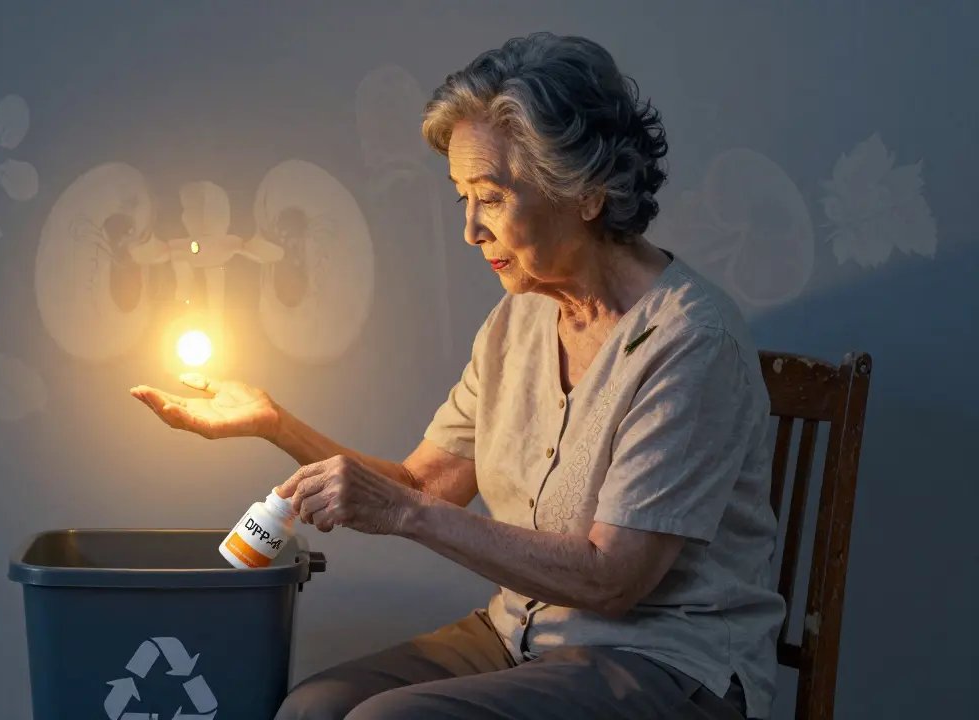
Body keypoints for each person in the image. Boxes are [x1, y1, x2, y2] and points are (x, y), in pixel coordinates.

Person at [131, 32, 786, 720]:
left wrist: (409, 515)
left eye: (493, 198)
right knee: (312, 710)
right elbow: (419, 485)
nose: (471, 229)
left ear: (587, 194)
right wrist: (273, 422)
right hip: (524, 637)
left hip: (662, 663)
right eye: (461, 199)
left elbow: (611, 580)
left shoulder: (688, 339)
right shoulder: (519, 318)